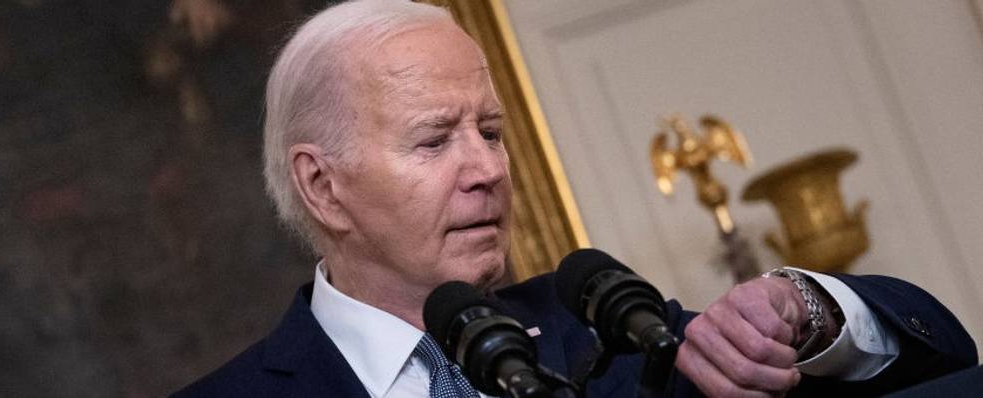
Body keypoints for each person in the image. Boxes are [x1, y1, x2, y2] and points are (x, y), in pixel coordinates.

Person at [173, 1, 977, 397]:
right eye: (433, 140)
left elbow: (940, 353)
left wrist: (800, 304)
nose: (487, 167)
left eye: (489, 131)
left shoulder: (606, 333)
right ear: (323, 185)